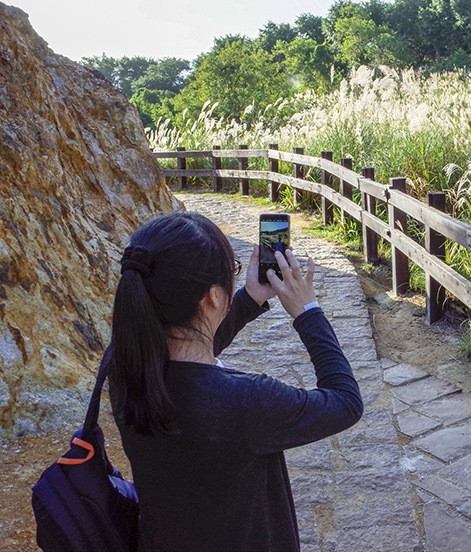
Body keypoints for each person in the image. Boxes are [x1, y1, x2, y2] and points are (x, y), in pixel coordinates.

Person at [109, 212, 363, 551]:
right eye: (232, 273)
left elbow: (188, 347)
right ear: (213, 296)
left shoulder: (123, 367)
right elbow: (345, 402)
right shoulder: (245, 401)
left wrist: (249, 297)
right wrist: (308, 311)